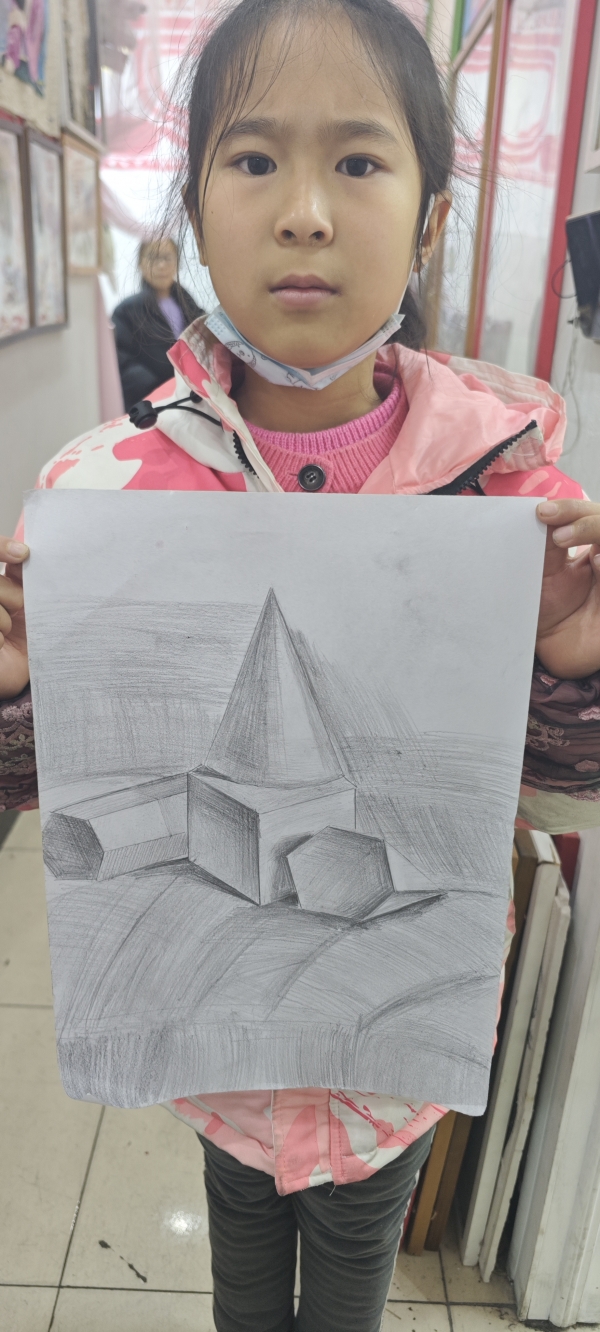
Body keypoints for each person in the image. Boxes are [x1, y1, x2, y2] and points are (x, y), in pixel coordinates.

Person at [2, 0, 600, 1326]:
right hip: (215, 1064)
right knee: (239, 1266)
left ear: (433, 219)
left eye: (360, 160)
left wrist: (572, 668)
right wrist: (16, 694)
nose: (307, 213)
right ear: (194, 207)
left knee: (347, 1285)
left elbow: (562, 802)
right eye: (257, 158)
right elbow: (51, 798)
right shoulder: (104, 494)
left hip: (389, 1074)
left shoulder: (517, 501)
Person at [112, 238, 204, 410]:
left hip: (194, 398)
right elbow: (122, 362)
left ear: (177, 263)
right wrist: (159, 389)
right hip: (153, 404)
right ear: (140, 263)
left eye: (167, 258)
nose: (161, 265)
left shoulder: (188, 304)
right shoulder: (126, 311)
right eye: (153, 258)